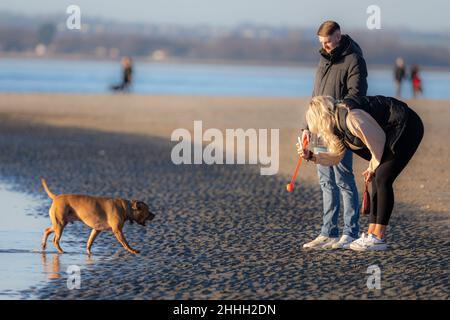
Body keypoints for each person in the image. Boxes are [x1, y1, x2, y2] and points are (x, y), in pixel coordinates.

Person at [297, 95, 424, 251]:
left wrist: (372, 167)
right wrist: (312, 156)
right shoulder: (336, 125)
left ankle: (378, 237)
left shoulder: (351, 118)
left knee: (383, 178)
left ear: (321, 119)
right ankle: (372, 233)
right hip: (389, 134)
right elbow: (336, 157)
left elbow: (377, 142)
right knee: (378, 177)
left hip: (407, 126)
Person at [301, 21, 368, 250]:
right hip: (319, 129)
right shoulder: (323, 59)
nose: (325, 46)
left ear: (338, 36)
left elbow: (356, 95)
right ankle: (328, 232)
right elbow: (314, 95)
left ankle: (350, 232)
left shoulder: (354, 59)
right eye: (322, 43)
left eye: (328, 41)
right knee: (326, 182)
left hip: (339, 130)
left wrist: (333, 112)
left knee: (343, 180)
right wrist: (306, 128)